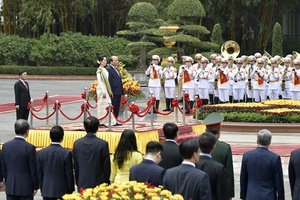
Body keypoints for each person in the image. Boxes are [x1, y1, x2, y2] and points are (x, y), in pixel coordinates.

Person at [240, 129, 285, 200]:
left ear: (257, 141)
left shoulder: (247, 156)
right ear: (269, 142)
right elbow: (279, 182)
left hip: (251, 195)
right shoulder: (275, 158)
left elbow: (243, 178)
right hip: (269, 196)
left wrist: (243, 196)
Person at [1, 119, 39, 200]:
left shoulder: (6, 146)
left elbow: (3, 167)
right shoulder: (29, 148)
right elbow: (33, 169)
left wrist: (7, 181)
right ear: (27, 132)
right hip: (26, 188)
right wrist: (36, 186)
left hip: (11, 186)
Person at [73, 116, 111, 191]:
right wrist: (106, 182)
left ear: (85, 127)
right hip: (99, 183)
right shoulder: (102, 144)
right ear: (97, 128)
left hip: (82, 182)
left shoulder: (77, 143)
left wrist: (78, 181)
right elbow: (106, 166)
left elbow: (76, 166)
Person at [37, 125, 74, 200]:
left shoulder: (41, 153)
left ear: (50, 137)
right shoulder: (66, 153)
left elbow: (39, 173)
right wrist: (71, 191)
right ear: (62, 138)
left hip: (47, 190)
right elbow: (69, 174)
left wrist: (42, 188)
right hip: (62, 191)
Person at [203, 112, 235, 199]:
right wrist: (229, 195)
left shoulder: (197, 145)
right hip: (219, 191)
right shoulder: (225, 148)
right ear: (219, 131)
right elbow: (228, 174)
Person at [196, 132, 229, 200]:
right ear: (214, 147)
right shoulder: (219, 168)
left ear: (198, 146)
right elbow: (222, 194)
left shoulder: (192, 164)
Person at [96, 55, 116, 127]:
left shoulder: (105, 69)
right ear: (100, 61)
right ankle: (101, 120)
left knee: (108, 104)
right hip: (102, 90)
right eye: (104, 60)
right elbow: (100, 82)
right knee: (102, 105)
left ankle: (109, 120)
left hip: (106, 89)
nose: (105, 62)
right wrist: (103, 91)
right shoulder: (99, 70)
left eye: (106, 60)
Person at [106, 55, 123, 126]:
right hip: (113, 91)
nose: (117, 61)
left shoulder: (116, 69)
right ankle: (112, 121)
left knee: (117, 107)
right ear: (111, 61)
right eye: (115, 60)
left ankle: (116, 120)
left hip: (118, 91)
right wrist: (110, 91)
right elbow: (108, 81)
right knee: (113, 106)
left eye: (117, 60)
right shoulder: (108, 69)